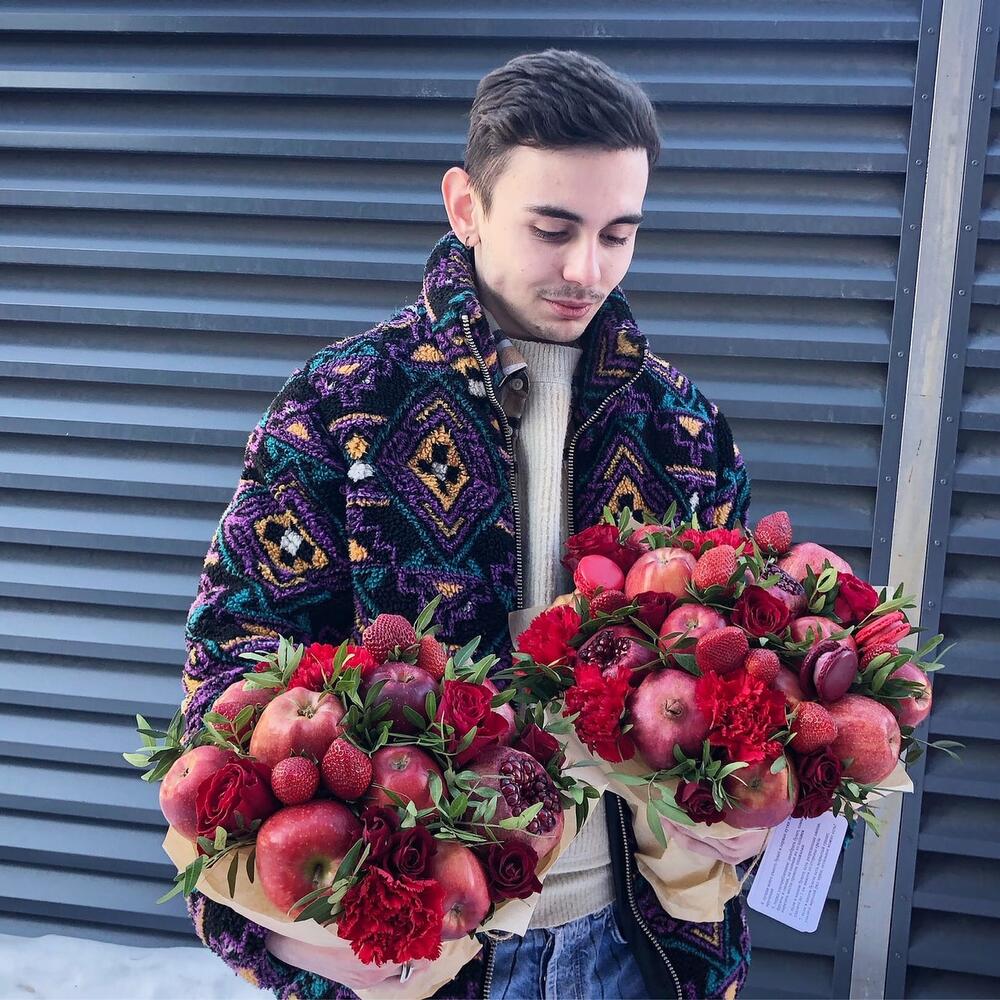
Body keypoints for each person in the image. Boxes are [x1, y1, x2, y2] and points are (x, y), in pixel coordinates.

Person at [180, 48, 756, 999]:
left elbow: (750, 665)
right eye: (552, 228)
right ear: (466, 206)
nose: (586, 269)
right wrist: (287, 934)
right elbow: (234, 656)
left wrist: (747, 822)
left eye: (619, 234)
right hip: (423, 950)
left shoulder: (681, 425)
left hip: (640, 943)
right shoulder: (344, 404)